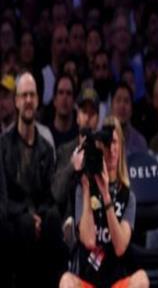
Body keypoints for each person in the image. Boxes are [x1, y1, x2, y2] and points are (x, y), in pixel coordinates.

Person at [59, 116, 149, 288]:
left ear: (121, 147)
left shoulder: (127, 196)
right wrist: (87, 186)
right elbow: (88, 240)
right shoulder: (83, 189)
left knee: (141, 279)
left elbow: (120, 247)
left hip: (116, 281)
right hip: (88, 280)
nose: (111, 149)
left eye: (114, 142)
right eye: (106, 144)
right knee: (66, 281)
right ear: (99, 147)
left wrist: (106, 196)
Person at [0, 71, 66, 286]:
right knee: (19, 225)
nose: (28, 100)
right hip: (14, 219)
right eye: (24, 95)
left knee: (54, 218)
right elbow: (3, 198)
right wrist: (27, 215)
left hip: (40, 218)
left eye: (32, 95)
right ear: (16, 101)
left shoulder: (46, 148)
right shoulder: (3, 146)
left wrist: (38, 216)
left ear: (37, 100)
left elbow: (49, 195)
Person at [52, 87, 100, 246]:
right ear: (77, 116)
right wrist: (72, 165)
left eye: (92, 113)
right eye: (84, 112)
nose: (87, 117)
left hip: (97, 220)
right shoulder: (64, 151)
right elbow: (56, 194)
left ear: (98, 119)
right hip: (68, 222)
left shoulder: (104, 153)